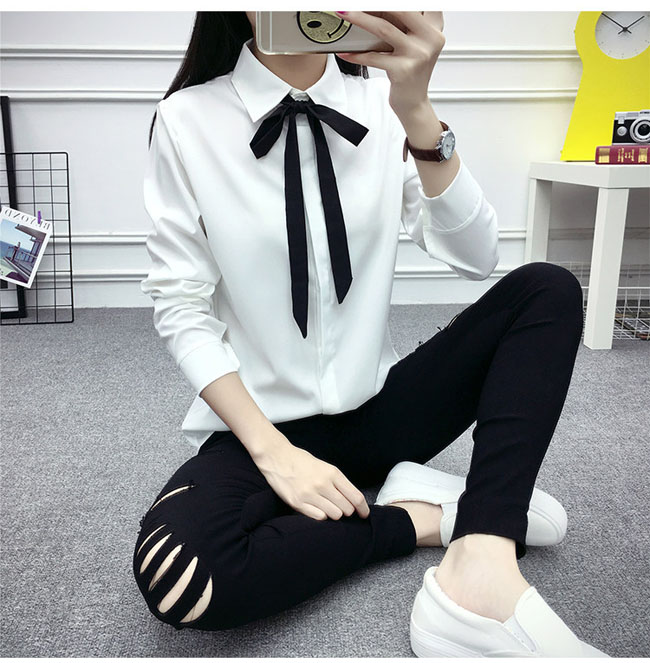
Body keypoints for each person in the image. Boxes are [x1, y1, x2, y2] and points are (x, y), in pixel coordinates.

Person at [133, 11, 608, 657]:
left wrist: (417, 111)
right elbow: (181, 305)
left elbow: (477, 255)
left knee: (547, 289)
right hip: (259, 425)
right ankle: (424, 516)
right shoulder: (188, 119)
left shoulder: (382, 103)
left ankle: (482, 553)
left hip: (381, 411)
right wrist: (276, 454)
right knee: (181, 576)